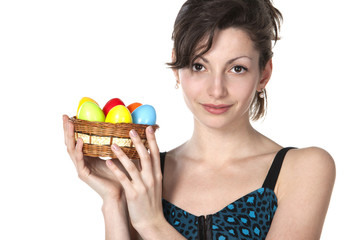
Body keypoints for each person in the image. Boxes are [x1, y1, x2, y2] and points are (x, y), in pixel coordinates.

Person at [63, 0, 336, 239]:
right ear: (176, 67)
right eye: (199, 66)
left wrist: (152, 224)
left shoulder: (303, 169)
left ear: (264, 73)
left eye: (237, 68)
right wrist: (115, 198)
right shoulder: (143, 174)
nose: (216, 90)